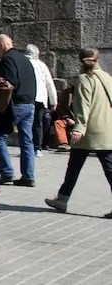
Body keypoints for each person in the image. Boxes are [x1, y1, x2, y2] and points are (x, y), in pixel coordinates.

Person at [45, 48, 112, 218]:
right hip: (106, 130)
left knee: (74, 167)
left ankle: (62, 199)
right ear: (98, 60)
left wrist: (79, 128)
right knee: (108, 169)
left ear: (80, 60)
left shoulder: (84, 79)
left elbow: (83, 106)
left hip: (88, 131)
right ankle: (61, 199)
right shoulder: (108, 78)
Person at [0, 34, 37, 187]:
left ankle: (7, 172)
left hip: (16, 103)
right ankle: (29, 176)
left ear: (2, 45)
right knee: (27, 141)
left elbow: (10, 82)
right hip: (30, 103)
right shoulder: (25, 59)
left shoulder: (7, 59)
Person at [25, 44, 57, 157]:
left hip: (26, 97)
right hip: (39, 98)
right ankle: (37, 147)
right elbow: (50, 84)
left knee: (26, 124)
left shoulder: (23, 63)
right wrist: (53, 101)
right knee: (37, 123)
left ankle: (27, 147)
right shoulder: (42, 65)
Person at [52, 85, 76, 152]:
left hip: (83, 120)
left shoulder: (88, 92)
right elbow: (61, 108)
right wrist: (67, 118)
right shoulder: (67, 92)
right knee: (59, 123)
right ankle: (63, 144)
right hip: (70, 118)